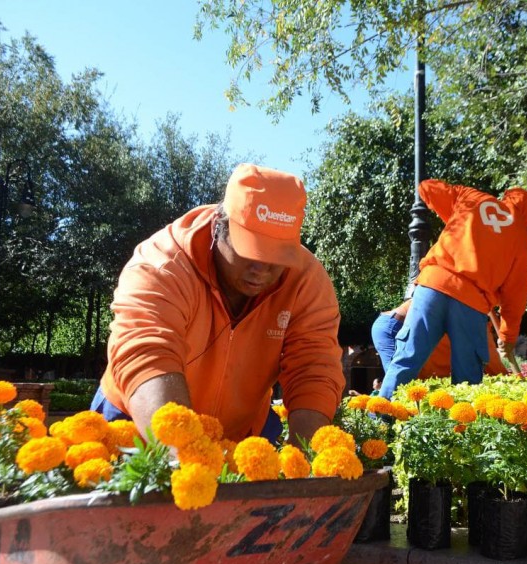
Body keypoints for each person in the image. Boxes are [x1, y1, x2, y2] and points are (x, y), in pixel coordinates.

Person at [90, 163, 345, 444]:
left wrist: (306, 465)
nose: (261, 269)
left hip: (241, 431)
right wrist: (185, 459)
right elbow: (147, 354)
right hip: (138, 415)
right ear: (219, 226)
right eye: (249, 250)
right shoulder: (162, 263)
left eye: (277, 256)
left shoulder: (306, 280)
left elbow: (314, 367)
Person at [379, 179, 527, 399]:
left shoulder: (473, 198)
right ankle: (460, 431)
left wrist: (459, 220)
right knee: (467, 377)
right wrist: (507, 336)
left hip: (432, 287)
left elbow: (427, 187)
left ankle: (379, 422)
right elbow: (515, 296)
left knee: (406, 359)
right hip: (471, 303)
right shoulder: (523, 239)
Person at [371, 299, 511, 379]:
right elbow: (493, 362)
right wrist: (509, 379)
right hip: (393, 326)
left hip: (391, 324)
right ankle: (379, 422)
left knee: (407, 383)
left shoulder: (463, 310)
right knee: (399, 383)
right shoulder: (475, 320)